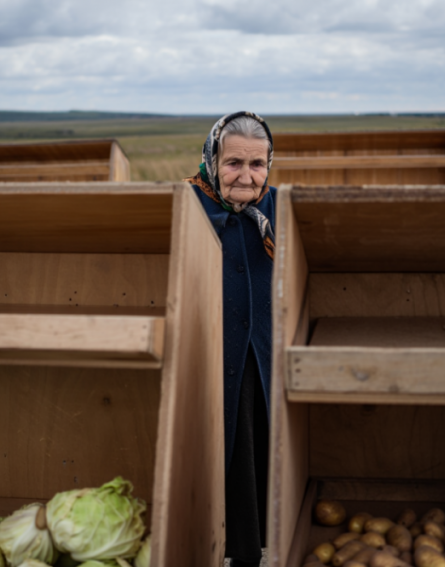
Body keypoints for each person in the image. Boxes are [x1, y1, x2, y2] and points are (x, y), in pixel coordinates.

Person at [185, 111, 276, 567]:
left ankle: (257, 552)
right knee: (221, 454)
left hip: (263, 359)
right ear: (211, 160)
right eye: (233, 162)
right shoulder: (188, 207)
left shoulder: (281, 209)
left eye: (257, 164)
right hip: (211, 359)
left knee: (262, 452)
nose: (246, 175)